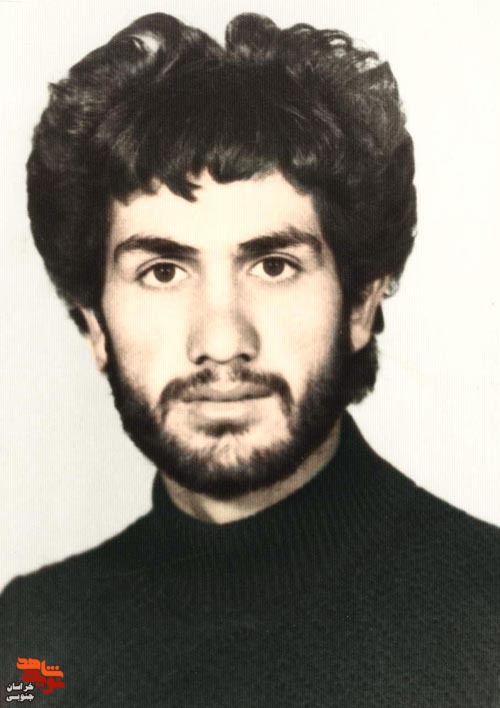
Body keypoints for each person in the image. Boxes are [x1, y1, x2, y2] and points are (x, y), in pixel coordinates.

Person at [0, 11, 498, 707]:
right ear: (94, 327)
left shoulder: (487, 620)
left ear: (360, 305)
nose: (222, 339)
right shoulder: (34, 645)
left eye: (273, 265)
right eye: (163, 272)